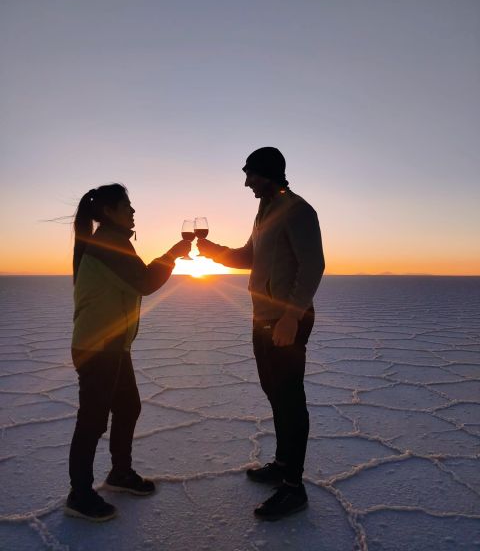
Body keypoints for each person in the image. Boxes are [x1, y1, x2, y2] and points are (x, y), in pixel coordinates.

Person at [197, 147, 325, 521]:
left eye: (250, 174)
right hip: (262, 318)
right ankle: (282, 464)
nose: (246, 182)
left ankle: (293, 488)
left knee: (289, 398)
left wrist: (291, 317)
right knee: (274, 392)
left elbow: (313, 265)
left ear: (267, 173)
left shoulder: (298, 209)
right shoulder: (264, 212)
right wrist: (212, 250)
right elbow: (248, 257)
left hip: (287, 320)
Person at [66, 183, 191, 522]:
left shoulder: (111, 240)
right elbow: (145, 282)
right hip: (97, 348)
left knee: (127, 406)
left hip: (112, 345)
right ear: (109, 212)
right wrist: (172, 254)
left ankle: (120, 473)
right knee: (92, 420)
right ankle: (79, 495)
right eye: (127, 206)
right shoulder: (109, 243)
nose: (133, 211)